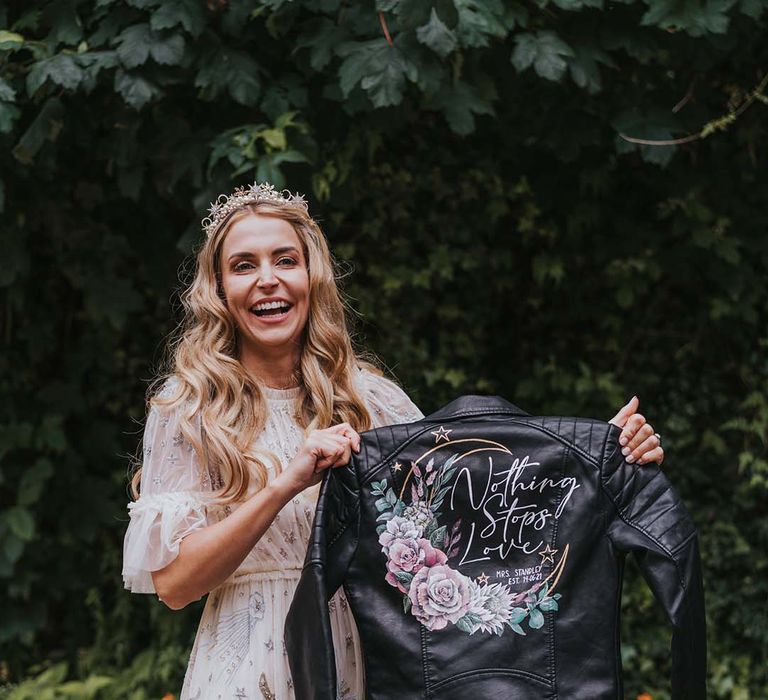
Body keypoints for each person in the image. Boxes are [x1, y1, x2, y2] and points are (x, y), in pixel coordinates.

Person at [121, 182, 665, 700]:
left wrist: (599, 457)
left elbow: (478, 513)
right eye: (244, 266)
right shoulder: (189, 408)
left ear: (313, 276)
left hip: (371, 657)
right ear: (219, 289)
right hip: (245, 668)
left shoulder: (371, 399)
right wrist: (286, 483)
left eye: (285, 260)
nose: (268, 279)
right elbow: (175, 585)